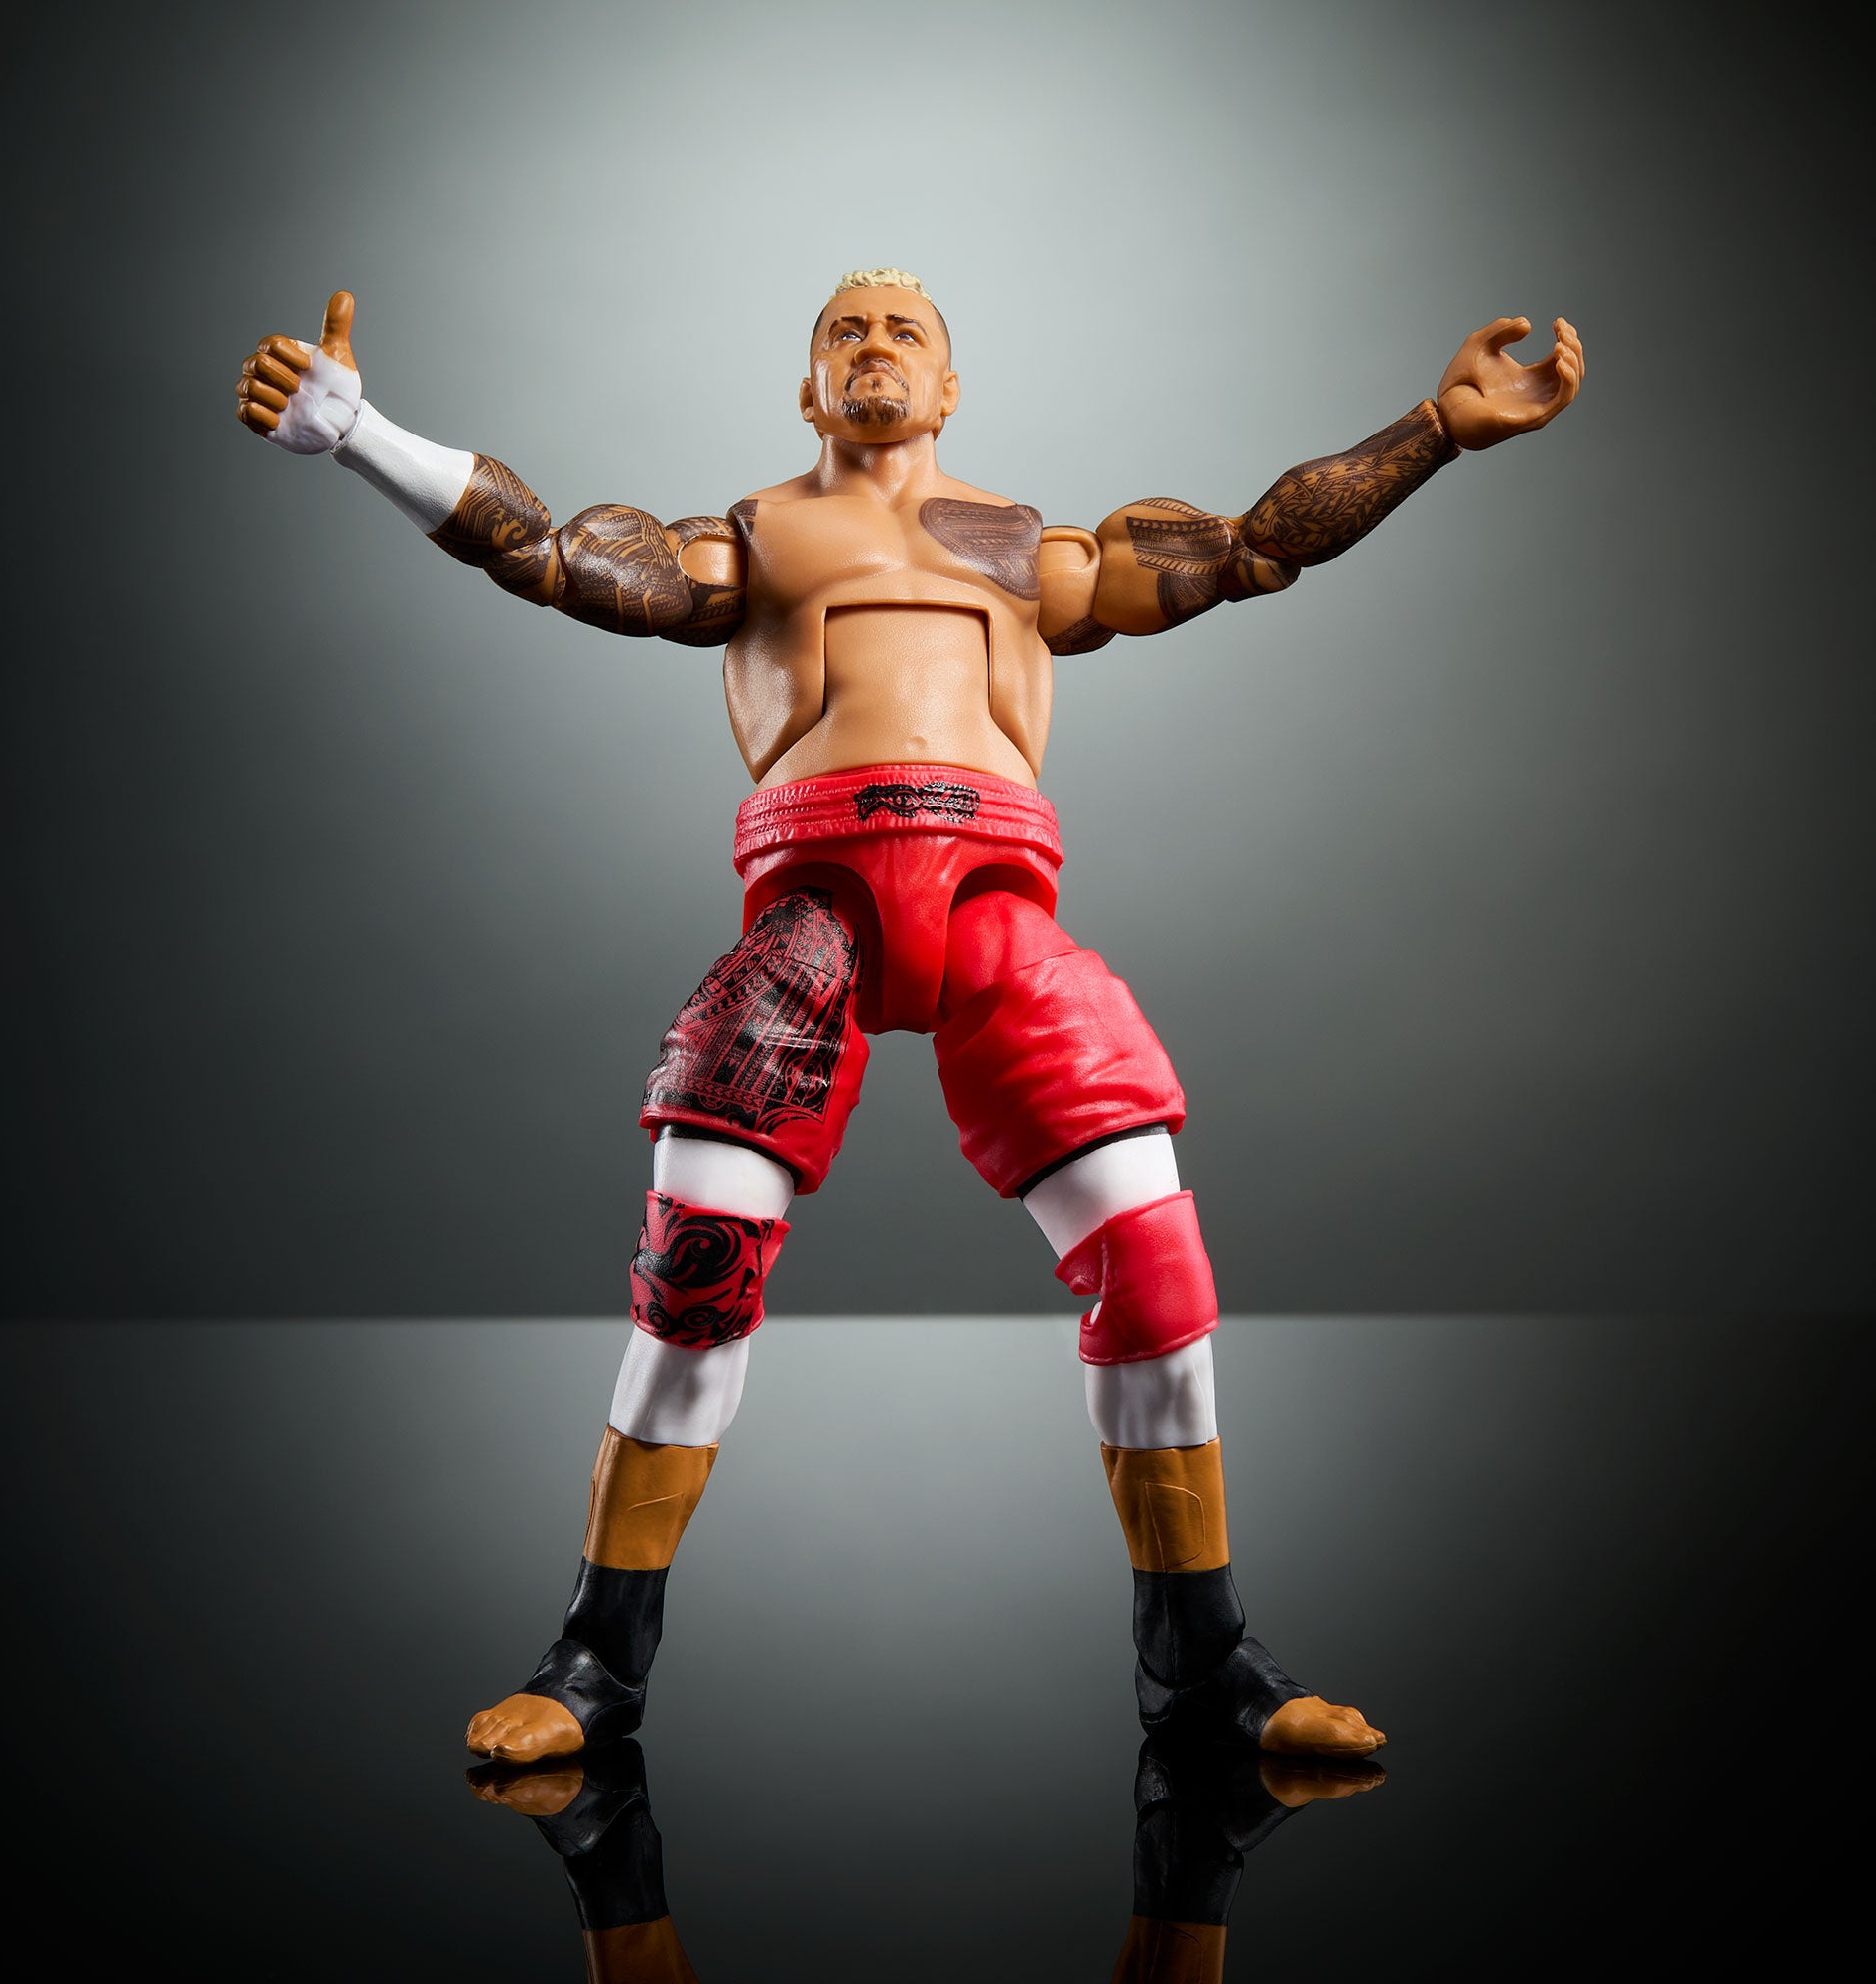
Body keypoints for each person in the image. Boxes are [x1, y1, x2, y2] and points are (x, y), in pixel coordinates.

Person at [235, 267, 1584, 1763]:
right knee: (694, 1282)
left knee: (1158, 1274)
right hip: (811, 914)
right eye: (844, 330)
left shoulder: (1033, 551)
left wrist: (1430, 433)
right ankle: (594, 1663)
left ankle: (1206, 1667)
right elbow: (551, 556)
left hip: (999, 914)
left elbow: (1260, 544)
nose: (874, 344)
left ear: (950, 387)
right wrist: (362, 435)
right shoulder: (756, 537)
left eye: (906, 331)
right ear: (808, 386)